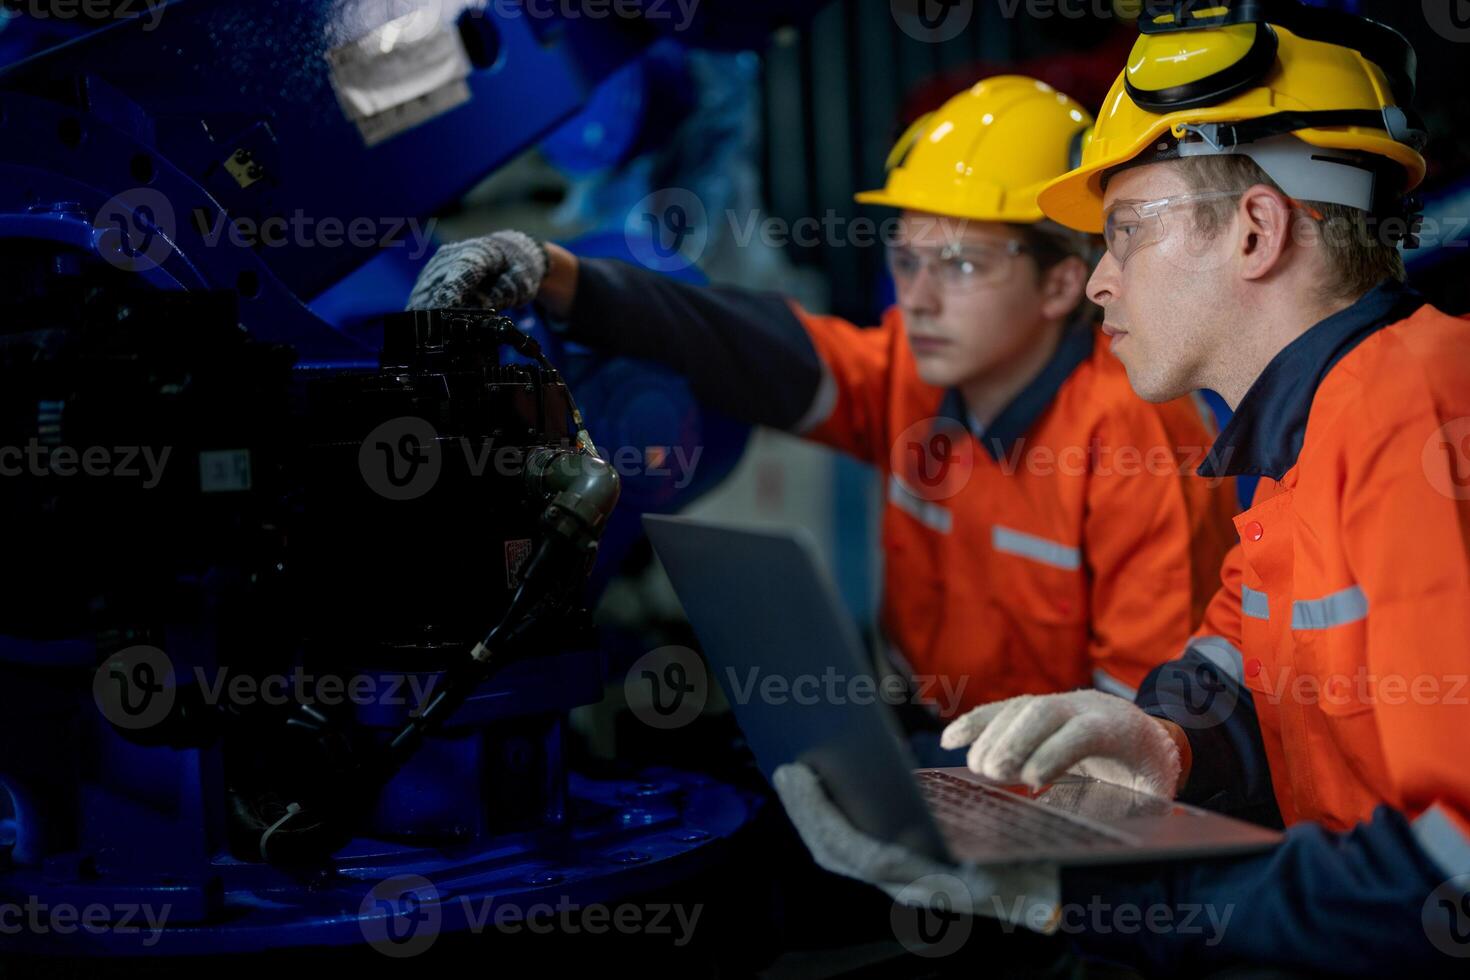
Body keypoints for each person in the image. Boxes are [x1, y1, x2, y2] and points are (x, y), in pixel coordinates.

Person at [774, 5, 1470, 974]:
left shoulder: (1416, 405)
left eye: (1125, 233)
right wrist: (1161, 736)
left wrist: (1107, 898)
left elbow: (1453, 872)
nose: (1099, 281)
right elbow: (1245, 644)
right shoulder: (1297, 431)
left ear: (1257, 230)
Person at [409, 75, 1238, 738]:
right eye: (906, 260)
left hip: (1075, 804)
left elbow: (1140, 737)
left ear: (1062, 281)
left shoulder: (1138, 451)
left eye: (958, 267)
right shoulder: (912, 379)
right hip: (933, 742)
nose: (915, 299)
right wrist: (555, 272)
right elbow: (751, 345)